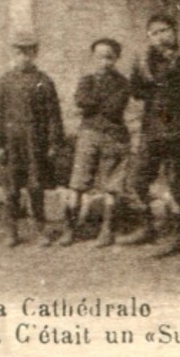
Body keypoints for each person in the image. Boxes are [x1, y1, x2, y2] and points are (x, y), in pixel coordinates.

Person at [119, 14, 180, 256]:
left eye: (163, 30)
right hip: (152, 129)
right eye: (153, 33)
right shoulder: (146, 60)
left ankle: (174, 238)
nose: (159, 36)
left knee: (175, 185)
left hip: (177, 130)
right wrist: (141, 67)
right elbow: (136, 91)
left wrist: (153, 70)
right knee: (137, 180)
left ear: (174, 31)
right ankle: (148, 227)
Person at [0, 30, 65, 248]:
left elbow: (53, 115)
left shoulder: (44, 81)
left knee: (35, 187)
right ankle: (12, 232)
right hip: (11, 143)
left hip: (35, 143)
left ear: (35, 53)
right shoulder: (4, 81)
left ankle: (40, 230)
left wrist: (53, 143)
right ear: (13, 53)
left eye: (28, 52)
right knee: (11, 190)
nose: (23, 57)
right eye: (19, 52)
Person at [59, 36, 131, 248]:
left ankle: (107, 231)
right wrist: (95, 103)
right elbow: (80, 100)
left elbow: (114, 108)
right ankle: (70, 230)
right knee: (78, 183)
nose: (104, 62)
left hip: (114, 136)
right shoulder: (86, 80)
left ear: (116, 58)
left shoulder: (123, 83)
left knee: (112, 185)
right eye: (99, 57)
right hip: (88, 134)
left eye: (109, 57)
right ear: (92, 58)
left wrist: (92, 104)